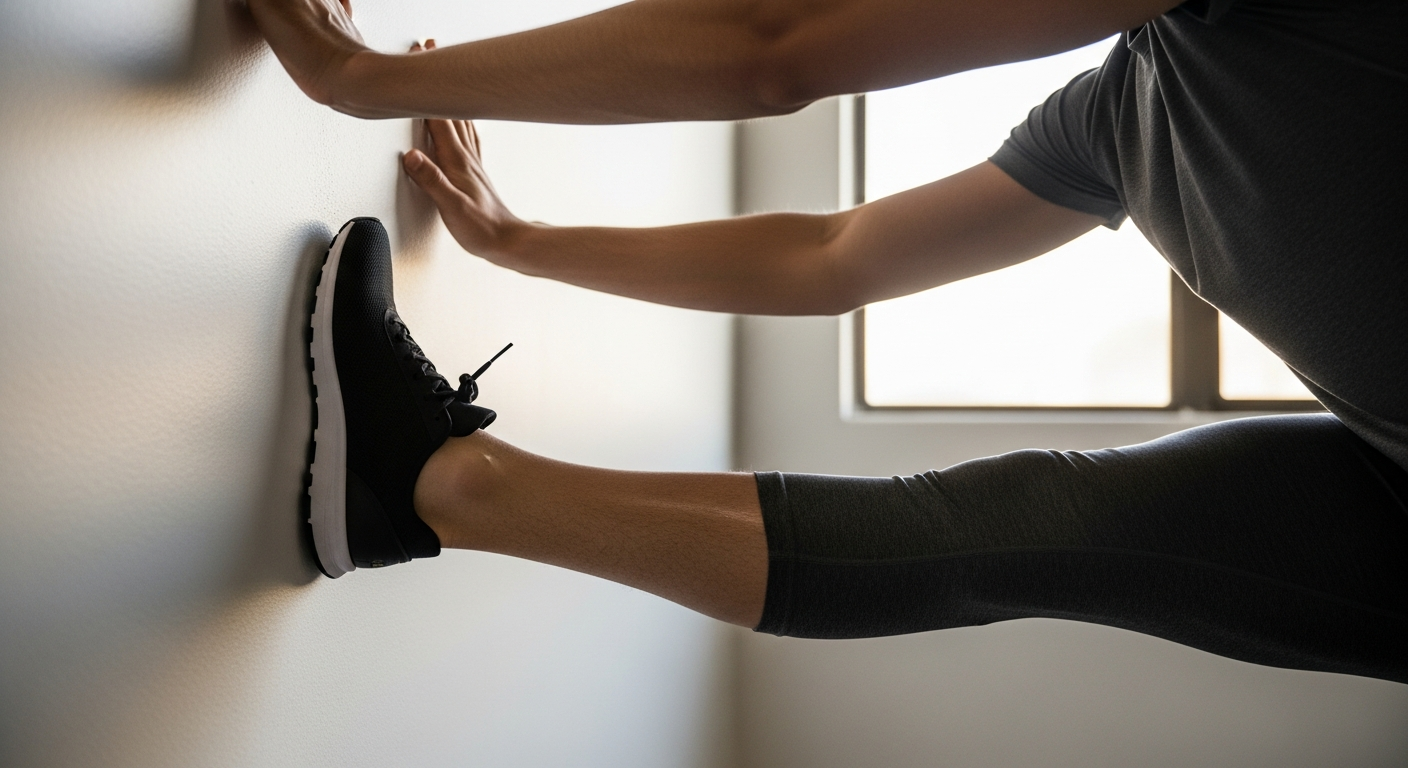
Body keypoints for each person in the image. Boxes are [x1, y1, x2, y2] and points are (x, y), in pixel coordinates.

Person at [250, 0, 1407, 683]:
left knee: (1051, 524)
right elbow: (835, 257)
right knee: (1038, 519)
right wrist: (518, 242)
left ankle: (426, 486)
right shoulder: (1116, 116)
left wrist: (357, 77)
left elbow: (776, 45)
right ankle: (432, 486)